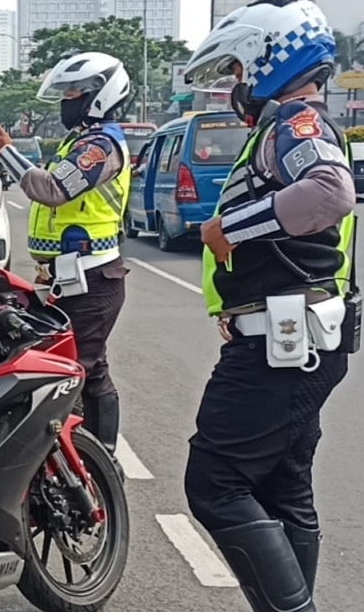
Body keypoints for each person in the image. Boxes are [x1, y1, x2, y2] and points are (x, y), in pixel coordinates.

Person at [182, 1, 356, 610]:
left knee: (215, 483)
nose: (235, 84)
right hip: (297, 337)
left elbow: (332, 192)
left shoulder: (296, 124)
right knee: (285, 492)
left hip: (282, 343)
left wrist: (233, 226)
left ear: (270, 59)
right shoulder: (289, 123)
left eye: (238, 69)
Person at [0, 51, 132, 463]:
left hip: (94, 276)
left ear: (99, 95)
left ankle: (98, 459)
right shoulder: (80, 141)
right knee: (84, 365)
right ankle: (89, 453)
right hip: (69, 277)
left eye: (75, 92)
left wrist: (5, 152)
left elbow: (54, 189)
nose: (68, 100)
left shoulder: (101, 146)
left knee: (80, 366)